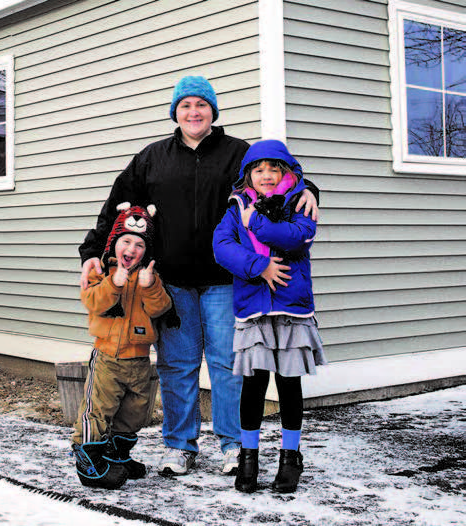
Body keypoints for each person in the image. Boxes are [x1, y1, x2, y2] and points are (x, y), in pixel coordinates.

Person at [78, 75, 319, 477]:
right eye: (186, 106)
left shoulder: (237, 153)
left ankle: (232, 445)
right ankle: (179, 445)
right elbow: (115, 206)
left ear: (213, 112)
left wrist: (310, 188)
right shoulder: (152, 158)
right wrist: (92, 251)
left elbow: (278, 176)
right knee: (178, 365)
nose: (194, 112)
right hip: (170, 281)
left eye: (201, 105)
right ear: (176, 112)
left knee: (228, 364)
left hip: (227, 281)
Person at [212, 139, 327, 494]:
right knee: (255, 383)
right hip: (255, 309)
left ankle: (290, 457)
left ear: (286, 172)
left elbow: (296, 237)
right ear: (248, 176)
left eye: (273, 169)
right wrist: (259, 265)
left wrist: (257, 224)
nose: (265, 175)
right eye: (258, 170)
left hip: (291, 310)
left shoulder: (300, 202)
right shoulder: (237, 207)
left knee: (289, 384)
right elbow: (222, 246)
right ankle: (249, 457)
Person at [72, 202, 173, 490]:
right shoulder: (100, 272)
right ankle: (89, 460)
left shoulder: (149, 276)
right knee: (99, 407)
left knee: (136, 410)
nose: (131, 249)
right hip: (107, 358)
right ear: (115, 243)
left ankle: (117, 454)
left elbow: (160, 308)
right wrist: (113, 284)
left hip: (139, 359)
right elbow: (93, 303)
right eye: (126, 241)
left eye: (139, 244)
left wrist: (150, 285)